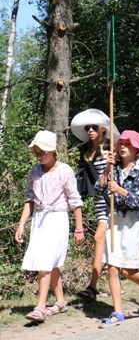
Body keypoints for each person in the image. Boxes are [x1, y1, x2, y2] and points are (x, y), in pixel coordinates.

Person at [16, 130, 85, 322]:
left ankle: (40, 306)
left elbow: (75, 201)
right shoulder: (34, 172)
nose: (39, 156)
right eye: (36, 152)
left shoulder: (64, 171)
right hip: (39, 220)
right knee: (51, 263)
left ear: (53, 151)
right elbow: (29, 200)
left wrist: (79, 228)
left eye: (42, 152)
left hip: (57, 219)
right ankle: (61, 300)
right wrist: (22, 225)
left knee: (44, 263)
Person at [96, 130, 139, 328]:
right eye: (121, 143)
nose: (123, 146)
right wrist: (106, 172)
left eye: (128, 144)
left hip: (133, 223)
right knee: (112, 267)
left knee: (128, 271)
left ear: (137, 150)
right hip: (114, 220)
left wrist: (121, 191)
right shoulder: (112, 168)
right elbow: (99, 191)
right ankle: (117, 312)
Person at [70, 109, 119, 301]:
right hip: (99, 201)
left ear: (103, 131)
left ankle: (92, 286)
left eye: (94, 127)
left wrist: (109, 166)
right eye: (87, 127)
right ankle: (111, 283)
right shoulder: (86, 153)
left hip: (113, 202)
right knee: (104, 242)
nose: (90, 130)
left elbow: (115, 178)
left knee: (100, 239)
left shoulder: (110, 152)